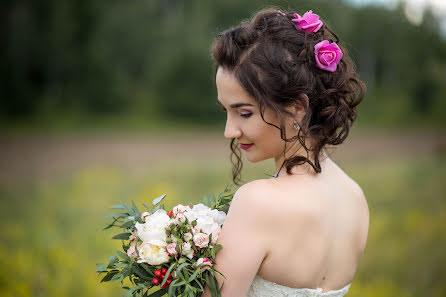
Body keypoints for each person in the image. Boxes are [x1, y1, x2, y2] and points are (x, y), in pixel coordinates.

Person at [201, 7, 369, 297]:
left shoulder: (257, 203)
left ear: (296, 108)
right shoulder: (355, 198)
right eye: (226, 111)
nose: (230, 131)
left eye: (243, 113)